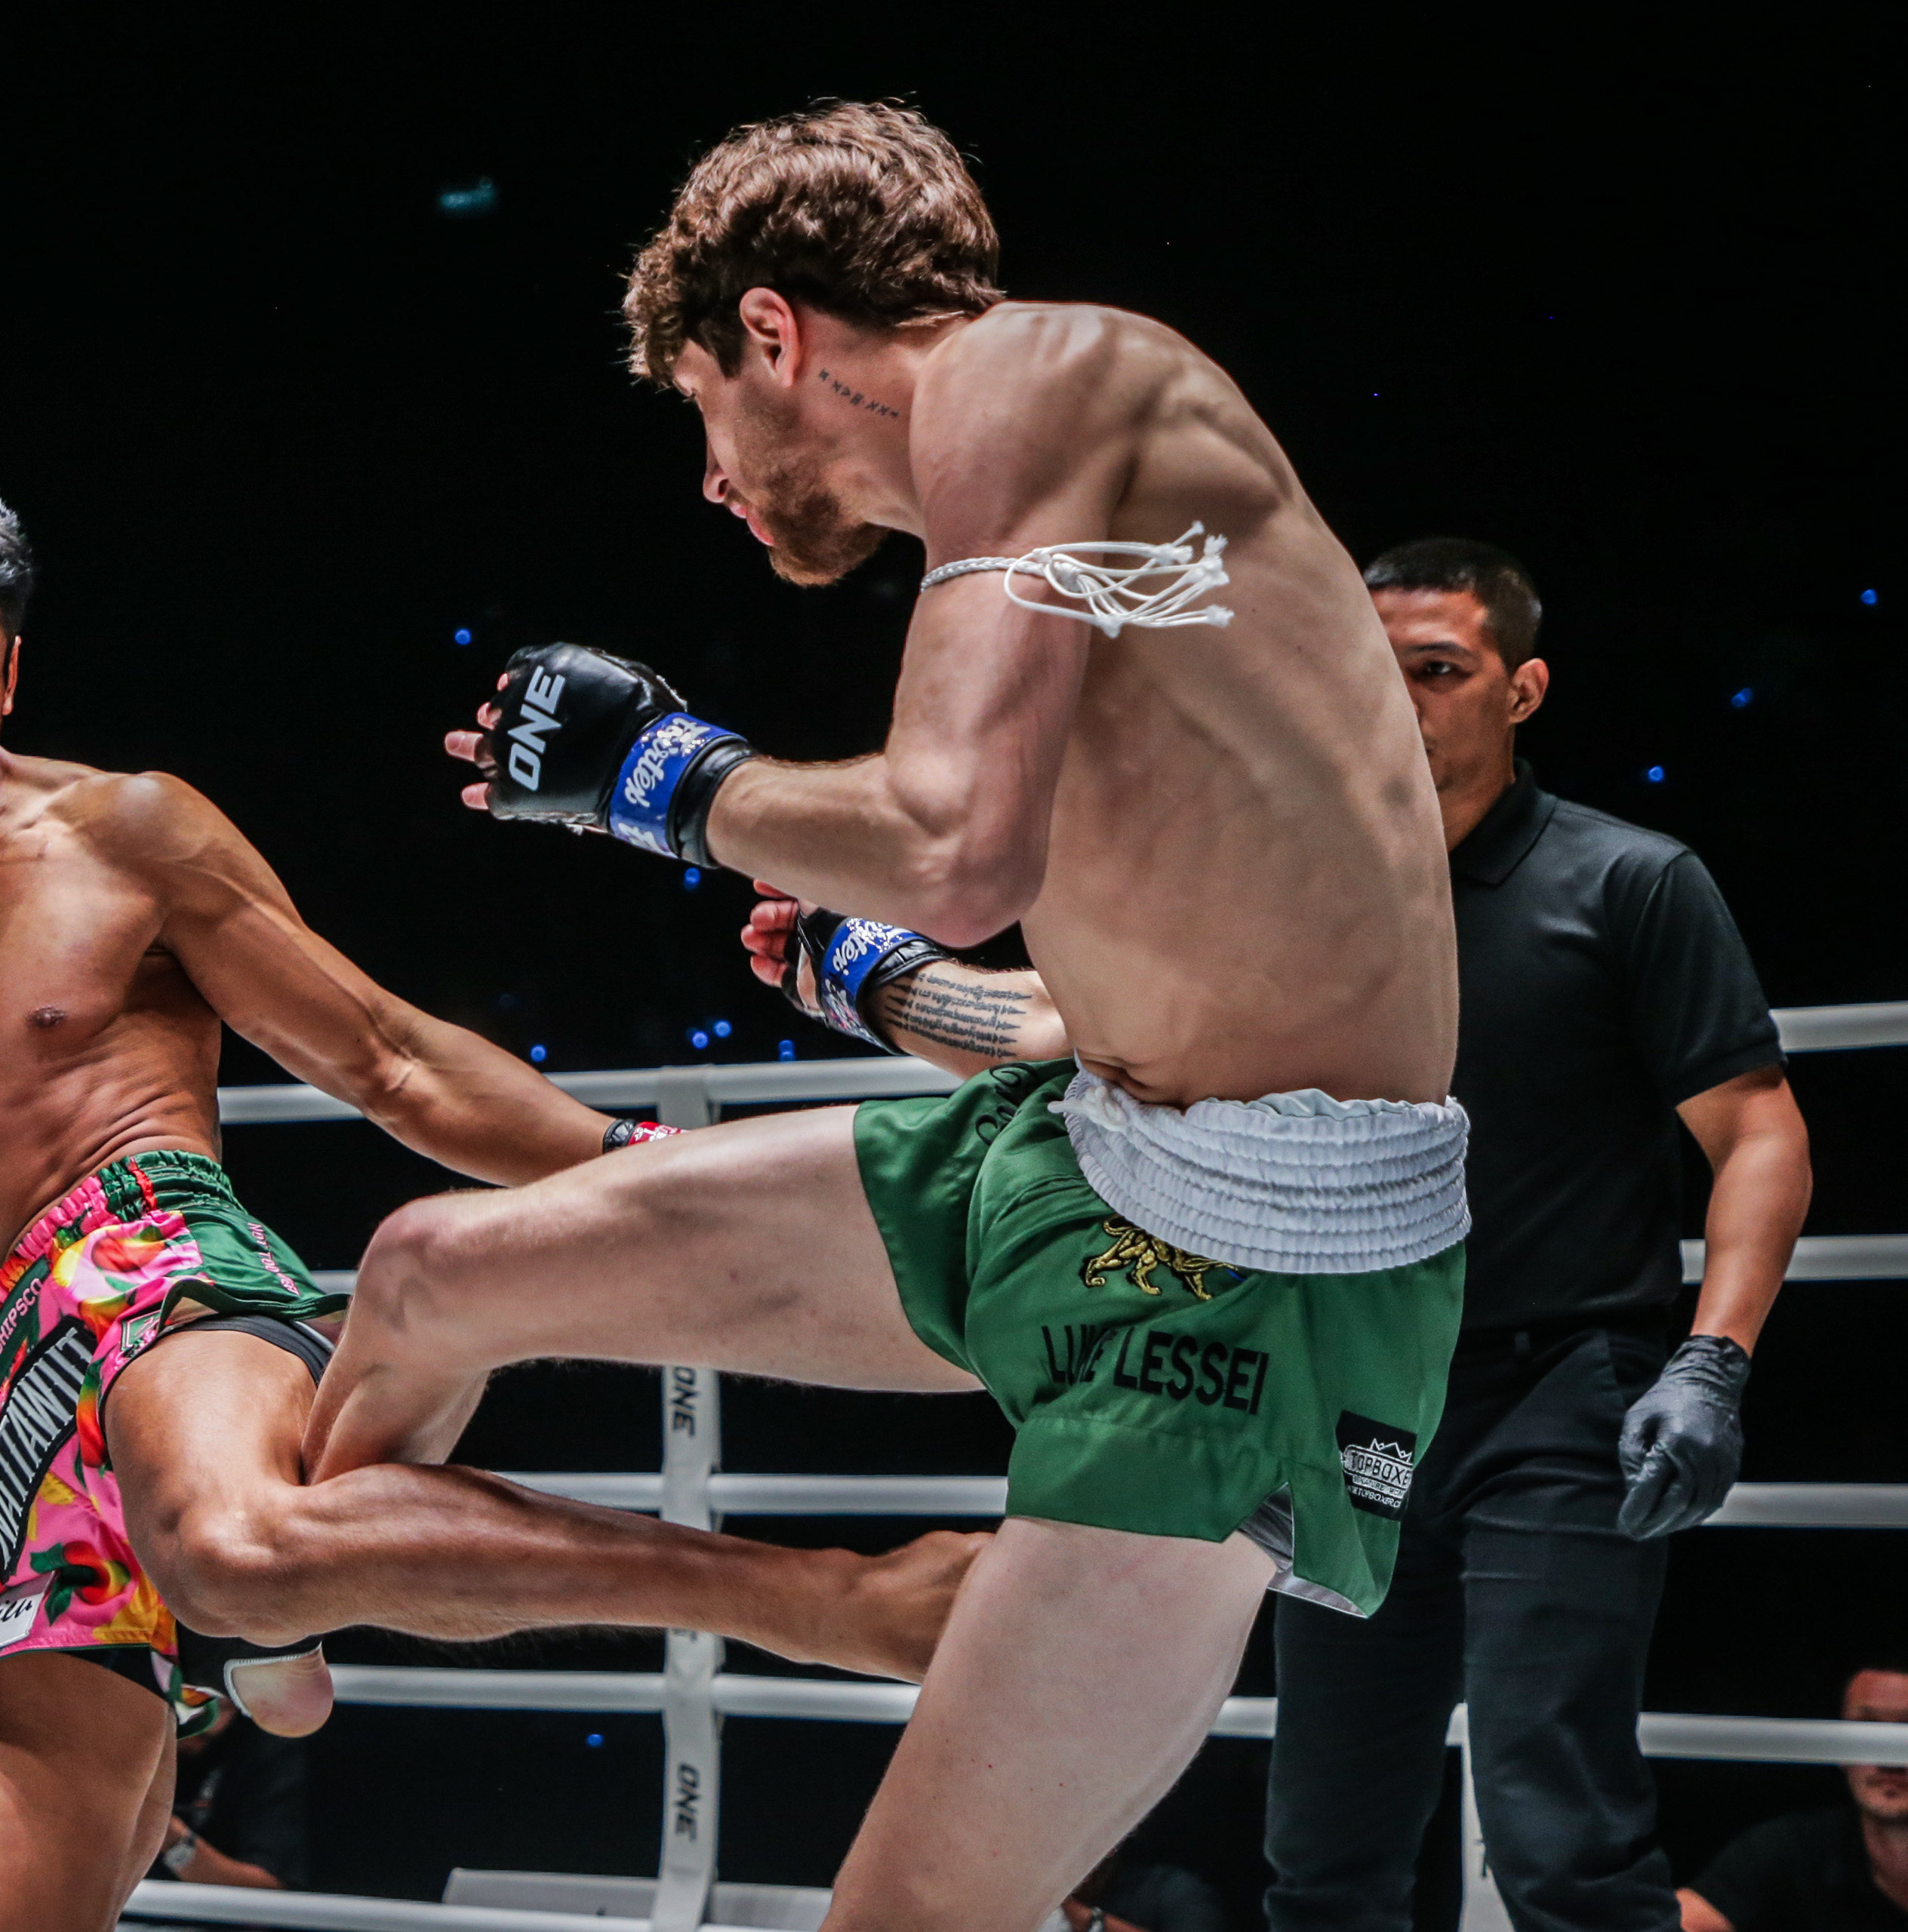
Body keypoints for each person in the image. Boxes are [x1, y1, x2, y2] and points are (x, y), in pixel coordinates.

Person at [0, 472, 978, 1932]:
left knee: (229, 1547)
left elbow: (387, 1054)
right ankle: (274, 1628)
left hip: (165, 1271)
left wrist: (651, 1166)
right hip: (16, 1391)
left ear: (14, 672)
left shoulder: (129, 836)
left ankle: (830, 1597)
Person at [308, 100, 1478, 1927]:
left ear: (773, 336)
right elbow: (1129, 976)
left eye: (702, 404)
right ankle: (265, 1637)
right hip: (1083, 1149)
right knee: (419, 1271)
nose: (709, 474)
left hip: (1249, 1278)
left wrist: (661, 781)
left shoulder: (1037, 369)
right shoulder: (1079, 508)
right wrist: (897, 987)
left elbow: (945, 838)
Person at [1257, 539, 1813, 1929]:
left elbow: (1758, 1134)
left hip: (1564, 1397)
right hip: (1361, 1410)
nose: (1402, 701)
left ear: (1522, 689)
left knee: (1559, 1834)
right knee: (1325, 1847)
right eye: (1372, 675)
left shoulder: (1629, 882)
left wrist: (1716, 1363)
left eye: (1439, 671)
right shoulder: (1300, 901)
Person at [1678, 1657, 1908, 1930]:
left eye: (1905, 1731)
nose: (1889, 1760)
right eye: (1867, 1728)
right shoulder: (1797, 1848)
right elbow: (1677, 1923)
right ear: (1839, 1747)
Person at [152, 1700, 308, 1891]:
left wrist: (173, 1839)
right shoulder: (127, 1730)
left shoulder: (266, 1747)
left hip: (210, 1914)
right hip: (129, 1907)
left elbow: (268, 1891)